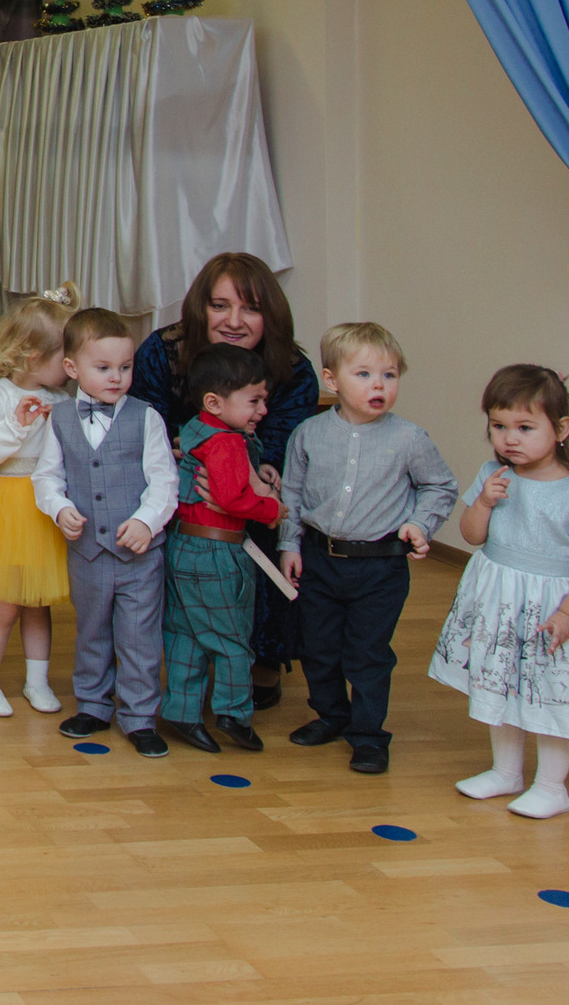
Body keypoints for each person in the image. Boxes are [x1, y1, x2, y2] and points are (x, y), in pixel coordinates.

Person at [430, 366, 569, 819]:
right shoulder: (494, 474)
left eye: (525, 428)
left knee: (549, 693)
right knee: (501, 684)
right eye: (499, 427)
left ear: (561, 429)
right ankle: (507, 772)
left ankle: (551, 786)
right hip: (500, 603)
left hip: (551, 611)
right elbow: (471, 536)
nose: (510, 439)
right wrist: (483, 502)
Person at [129, 252, 318, 711]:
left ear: (269, 316)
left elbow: (281, 446)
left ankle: (260, 659)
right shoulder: (161, 351)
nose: (234, 320)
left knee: (269, 524)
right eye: (220, 305)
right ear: (199, 309)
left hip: (251, 485)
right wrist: (185, 470)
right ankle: (168, 660)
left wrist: (252, 481)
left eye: (250, 308)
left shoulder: (293, 370)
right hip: (170, 481)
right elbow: (144, 424)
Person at [278, 322, 458, 775]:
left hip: (380, 567)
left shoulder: (409, 439)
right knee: (317, 647)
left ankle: (369, 735)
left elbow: (440, 487)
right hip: (320, 560)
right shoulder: (308, 435)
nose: (378, 385)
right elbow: (293, 497)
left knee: (367, 652)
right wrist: (289, 545)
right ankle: (332, 716)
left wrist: (419, 524)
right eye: (363, 375)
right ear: (332, 380)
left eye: (389, 375)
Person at [36, 307, 177, 759]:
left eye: (125, 367)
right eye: (103, 368)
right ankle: (93, 706)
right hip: (88, 551)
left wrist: (146, 521)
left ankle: (139, 716)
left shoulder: (146, 417)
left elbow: (165, 482)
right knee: (92, 630)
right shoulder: (58, 420)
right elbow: (47, 478)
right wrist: (60, 510)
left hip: (139, 555)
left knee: (138, 635)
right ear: (72, 369)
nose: (116, 377)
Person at [158, 345, 284, 755]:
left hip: (182, 545)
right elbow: (232, 498)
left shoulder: (196, 429)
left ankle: (182, 710)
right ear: (215, 402)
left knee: (185, 633)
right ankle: (233, 711)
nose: (262, 410)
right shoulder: (227, 441)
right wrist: (271, 509)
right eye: (255, 400)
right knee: (232, 639)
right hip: (217, 552)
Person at [0, 291, 75, 717]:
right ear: (32, 355)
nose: (71, 365)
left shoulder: (65, 401)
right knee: (3, 604)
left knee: (38, 602)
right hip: (3, 504)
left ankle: (37, 681)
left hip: (43, 506)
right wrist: (18, 423)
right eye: (65, 356)